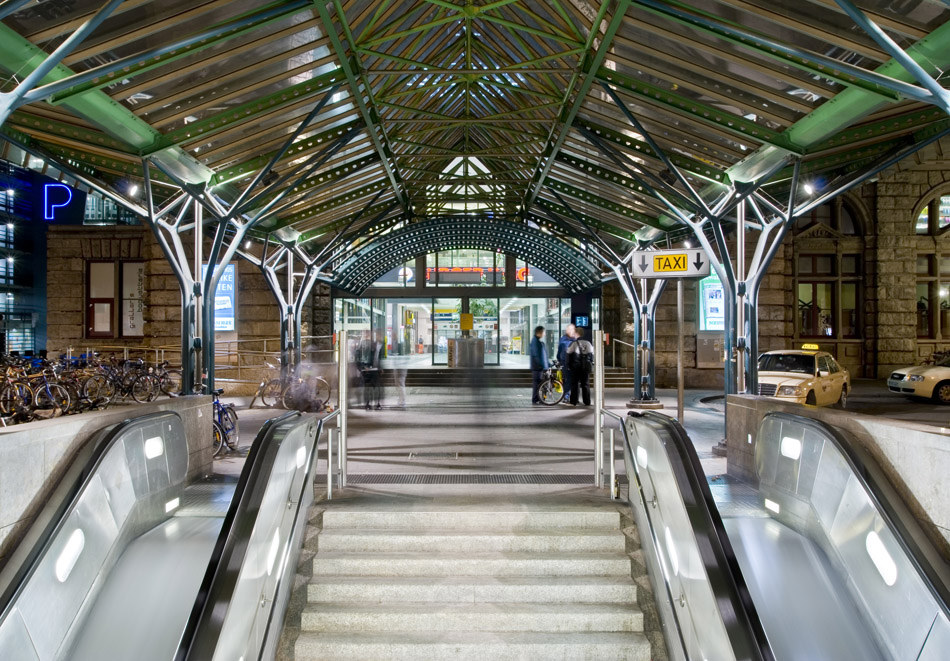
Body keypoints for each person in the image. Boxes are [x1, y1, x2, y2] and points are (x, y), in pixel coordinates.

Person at [566, 327, 594, 406]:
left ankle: (574, 401)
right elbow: (592, 354)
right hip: (585, 367)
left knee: (575, 384)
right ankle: (587, 401)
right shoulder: (588, 343)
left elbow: (568, 354)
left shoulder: (574, 343)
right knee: (585, 384)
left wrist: (568, 365)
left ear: (577, 333)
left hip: (576, 367)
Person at [528, 325, 549, 405]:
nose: (544, 334)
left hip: (538, 367)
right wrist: (541, 365)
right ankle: (535, 399)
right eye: (543, 332)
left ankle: (538, 399)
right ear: (539, 333)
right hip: (537, 367)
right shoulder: (535, 342)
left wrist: (547, 364)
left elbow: (542, 355)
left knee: (538, 384)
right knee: (537, 384)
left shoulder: (537, 341)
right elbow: (536, 355)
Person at [557, 323, 577, 403]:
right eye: (569, 329)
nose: (570, 331)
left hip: (574, 363)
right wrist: (559, 359)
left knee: (574, 380)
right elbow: (560, 350)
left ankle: (573, 397)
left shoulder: (576, 339)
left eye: (571, 329)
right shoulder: (563, 339)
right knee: (567, 380)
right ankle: (566, 396)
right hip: (565, 362)